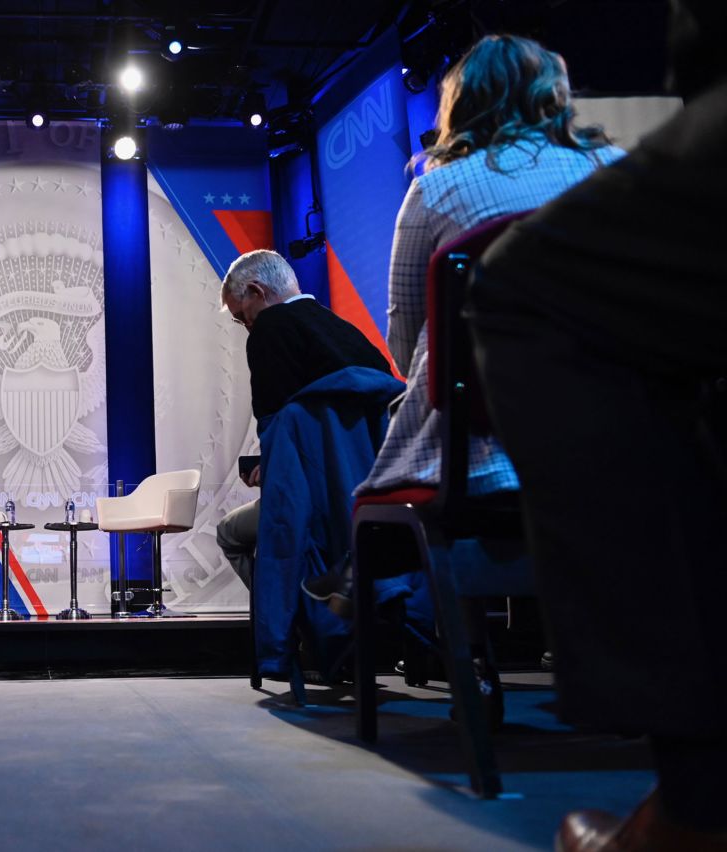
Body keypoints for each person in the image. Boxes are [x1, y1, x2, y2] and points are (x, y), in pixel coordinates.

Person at [468, 2, 727, 848]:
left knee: (523, 296)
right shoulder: (609, 160)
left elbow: (412, 350)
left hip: (468, 454)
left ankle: (698, 800)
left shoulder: (436, 186)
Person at [356, 34, 625, 500]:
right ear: (553, 95)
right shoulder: (619, 173)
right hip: (620, 434)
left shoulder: (434, 191)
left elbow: (406, 347)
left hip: (484, 459)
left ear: (460, 104)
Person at [217, 249, 393, 590]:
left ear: (257, 292)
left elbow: (278, 429)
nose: (246, 326)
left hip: (314, 501)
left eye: (242, 317)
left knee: (229, 533)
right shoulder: (349, 333)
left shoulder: (269, 330)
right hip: (374, 498)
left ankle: (292, 619)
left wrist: (267, 469)